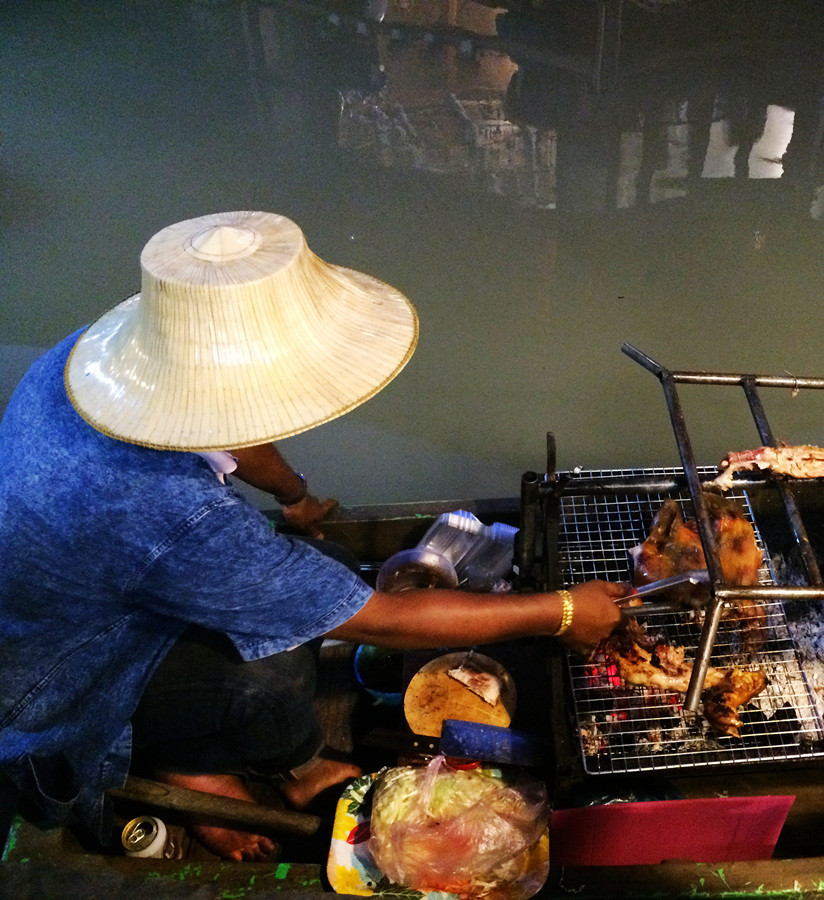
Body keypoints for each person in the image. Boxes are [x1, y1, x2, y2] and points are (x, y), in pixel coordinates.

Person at [0, 210, 626, 860]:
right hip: (57, 690)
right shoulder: (169, 511)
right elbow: (381, 619)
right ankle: (219, 764)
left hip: (79, 602)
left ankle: (204, 745)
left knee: (318, 558)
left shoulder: (97, 360)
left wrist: (293, 496)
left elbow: (231, 425)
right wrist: (564, 611)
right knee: (273, 680)